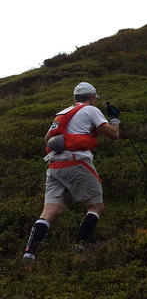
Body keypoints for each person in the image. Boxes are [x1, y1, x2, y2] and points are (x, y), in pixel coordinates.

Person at [23, 82, 121, 264]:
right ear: (92, 97)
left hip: (54, 168)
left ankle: (29, 253)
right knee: (95, 207)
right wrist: (115, 119)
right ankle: (78, 249)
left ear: (75, 98)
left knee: (51, 211)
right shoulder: (91, 110)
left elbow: (47, 139)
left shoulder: (62, 114)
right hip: (77, 163)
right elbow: (114, 135)